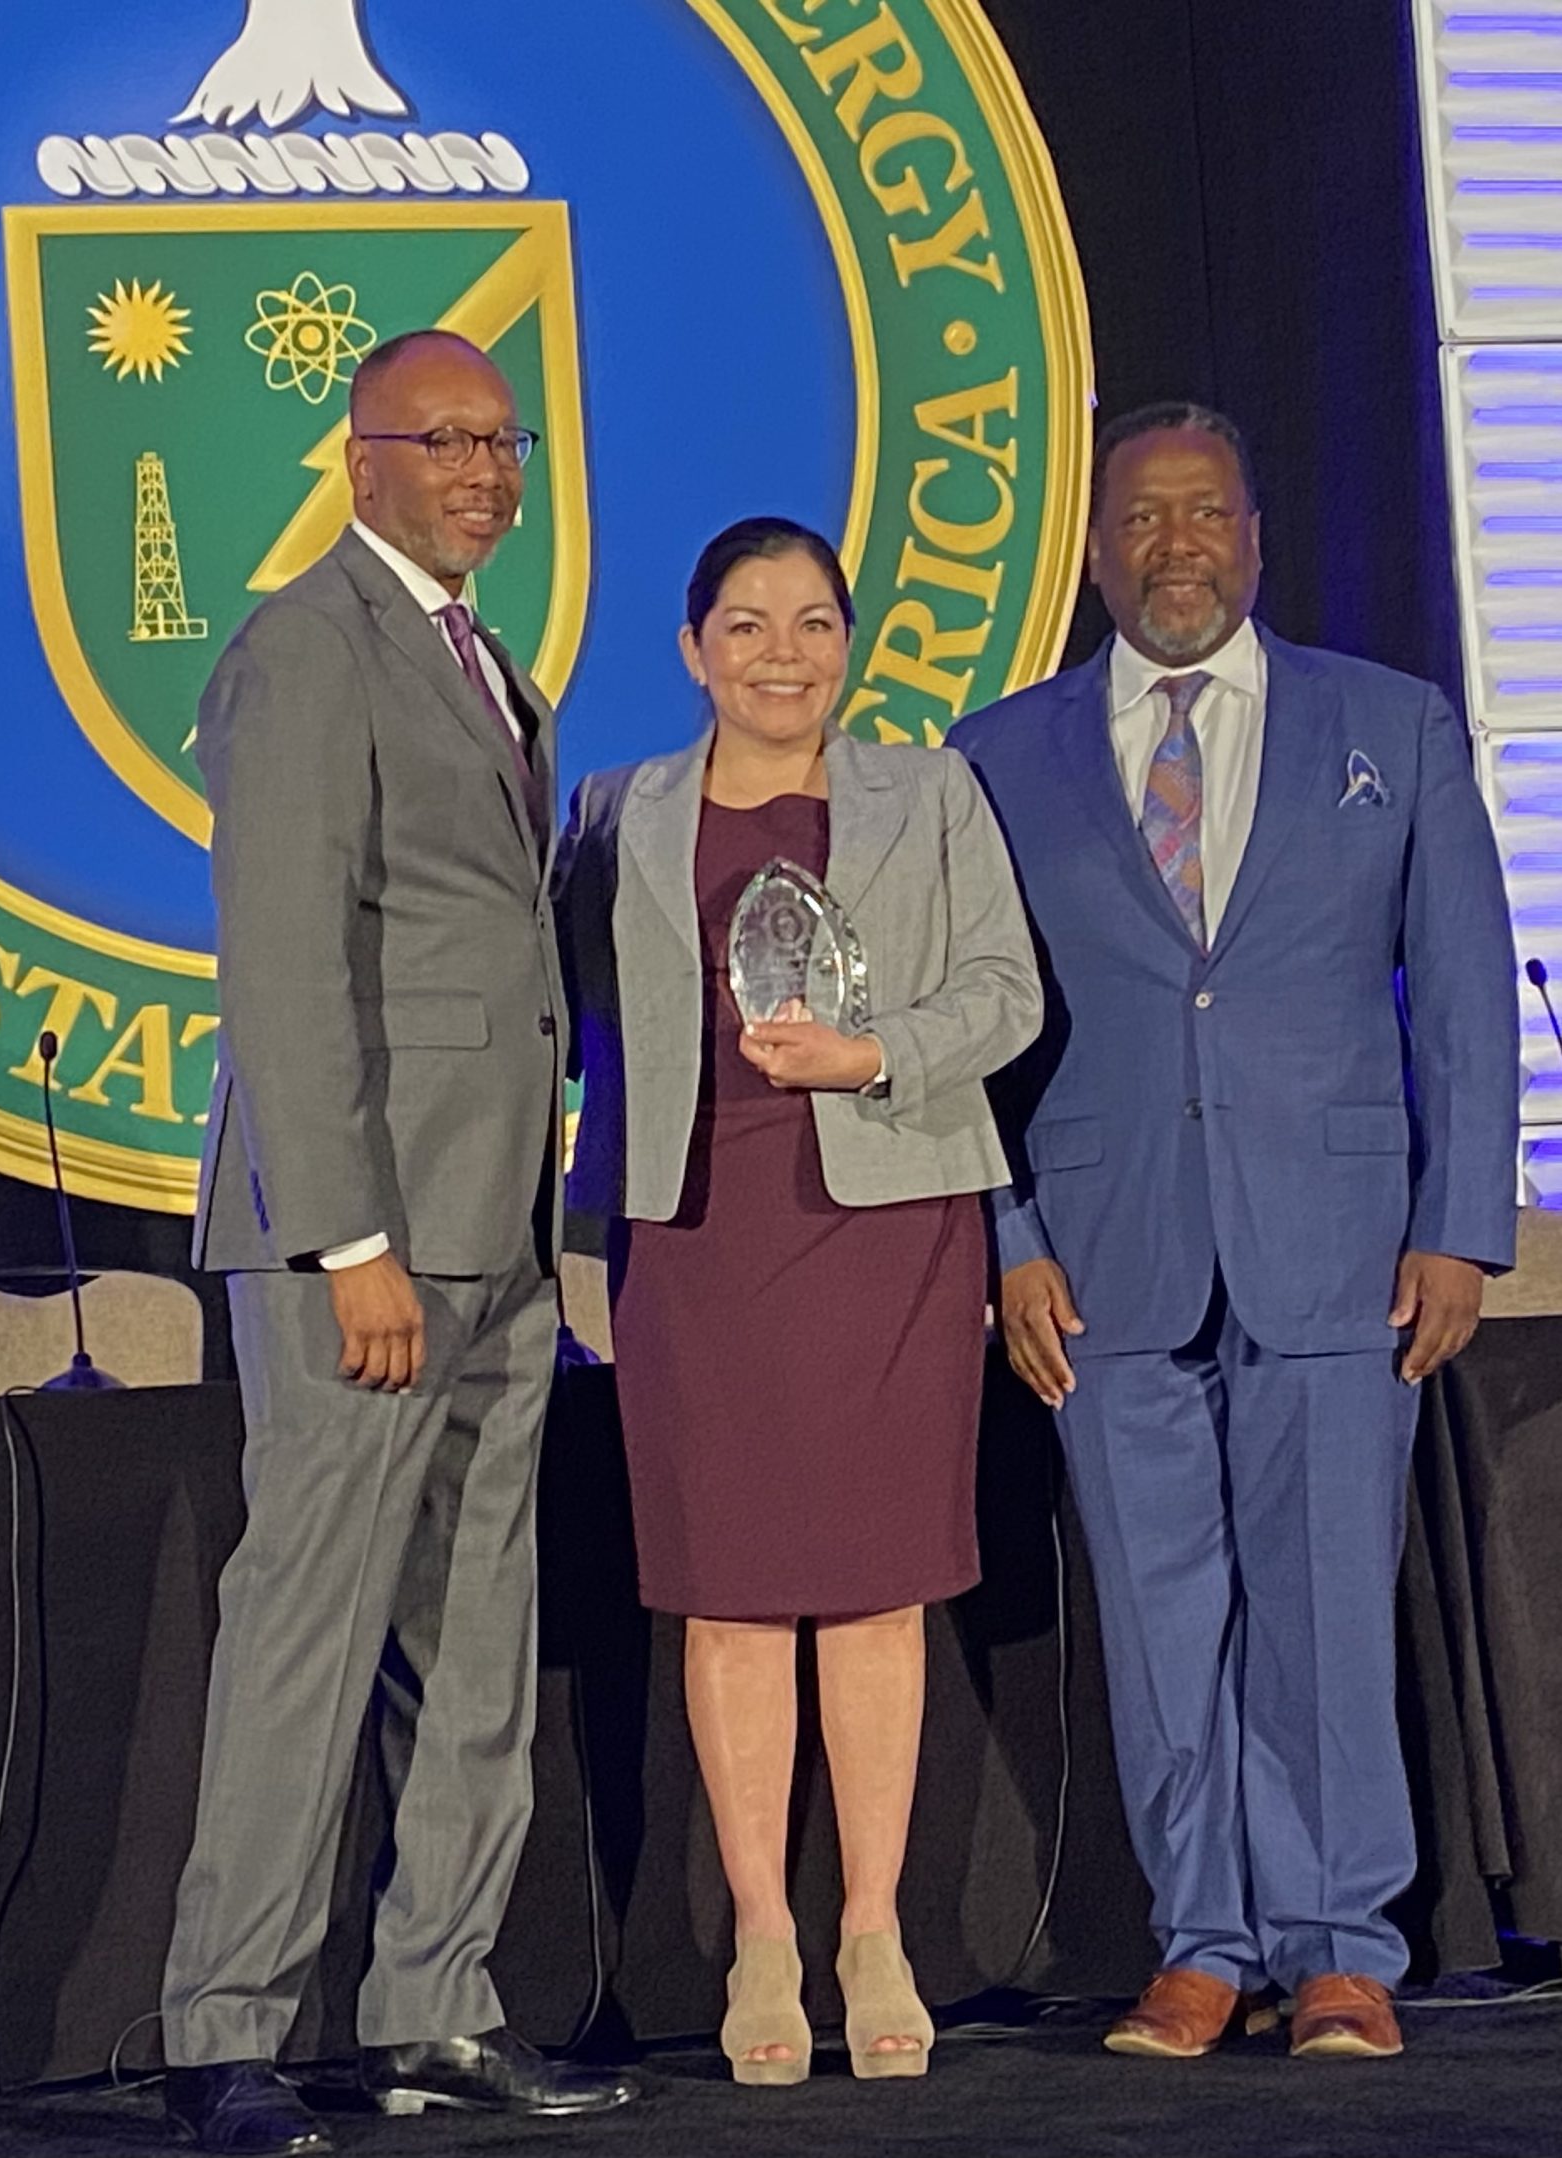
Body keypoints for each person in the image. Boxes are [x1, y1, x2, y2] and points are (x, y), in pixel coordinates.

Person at [951, 404, 1519, 2064]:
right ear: (1096, 551)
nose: (1174, 546)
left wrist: (1460, 1224)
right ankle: (1202, 1943)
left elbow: (1466, 991)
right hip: (1101, 1253)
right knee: (1160, 1617)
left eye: (1205, 515)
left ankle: (1342, 1946)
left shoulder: (1391, 727)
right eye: (1142, 519)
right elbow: (972, 1020)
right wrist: (1004, 1231)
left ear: (1257, 538)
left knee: (1330, 1606)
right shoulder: (999, 756)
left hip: (1342, 1244)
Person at [163, 329, 634, 2156]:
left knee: (478, 1633)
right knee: (310, 1623)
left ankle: (434, 2001)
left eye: (504, 441)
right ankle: (225, 2028)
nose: (483, 470)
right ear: (355, 459)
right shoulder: (304, 647)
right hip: (360, 1236)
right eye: (444, 440)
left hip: (496, 1227)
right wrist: (349, 1236)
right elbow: (286, 964)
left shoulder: (484, 661)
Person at [554, 517, 1041, 2088]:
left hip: (887, 1214)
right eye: (747, 625)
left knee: (880, 1588)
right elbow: (569, 1019)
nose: (784, 653)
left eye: (814, 622)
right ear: (693, 650)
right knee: (733, 1590)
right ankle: (766, 1928)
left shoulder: (932, 787)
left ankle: (875, 1925)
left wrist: (871, 1049)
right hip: (695, 1228)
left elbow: (1009, 989)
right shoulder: (616, 810)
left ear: (852, 640)